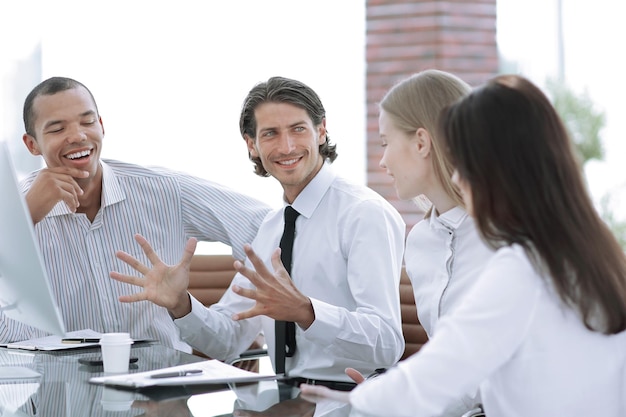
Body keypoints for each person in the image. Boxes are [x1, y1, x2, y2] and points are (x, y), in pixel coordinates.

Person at [301, 74, 626, 416]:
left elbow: (450, 364)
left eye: (466, 163)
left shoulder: (520, 265)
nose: (456, 176)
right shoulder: (588, 250)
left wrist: (357, 400)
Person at [111, 76, 407, 387]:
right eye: (270, 134)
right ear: (252, 145)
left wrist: (307, 312)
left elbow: (386, 344)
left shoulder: (364, 214)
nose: (287, 146)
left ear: (321, 131)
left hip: (350, 400)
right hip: (282, 398)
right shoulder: (271, 228)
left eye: (298, 129)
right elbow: (228, 340)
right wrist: (181, 304)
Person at [0, 76, 271, 352]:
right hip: (55, 391)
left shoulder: (164, 190)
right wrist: (24, 217)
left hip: (158, 387)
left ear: (102, 126)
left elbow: (273, 228)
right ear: (32, 144)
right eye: (57, 129)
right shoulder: (12, 210)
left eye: (87, 121)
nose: (78, 136)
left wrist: (241, 327)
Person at [346, 69, 494, 416]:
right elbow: (448, 368)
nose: (382, 161)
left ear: (421, 142)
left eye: (385, 143)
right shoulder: (420, 243)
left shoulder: (505, 234)